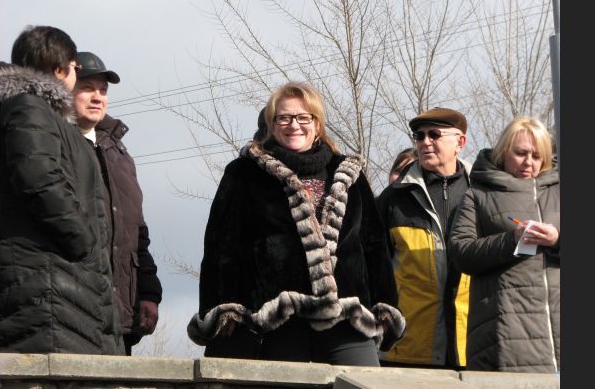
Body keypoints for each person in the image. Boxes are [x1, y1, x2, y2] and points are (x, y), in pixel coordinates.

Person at [188, 81, 405, 366]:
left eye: (304, 117)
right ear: (271, 124)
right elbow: (221, 247)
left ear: (317, 124)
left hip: (348, 315)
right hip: (276, 319)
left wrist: (385, 306)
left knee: (367, 382)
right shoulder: (244, 173)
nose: (294, 125)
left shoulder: (349, 173)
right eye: (284, 118)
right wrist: (222, 306)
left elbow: (374, 246)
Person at [0, 26, 124, 354]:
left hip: (63, 292)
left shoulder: (42, 115)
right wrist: (83, 241)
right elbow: (38, 178)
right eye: (75, 68)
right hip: (46, 291)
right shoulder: (28, 108)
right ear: (59, 69)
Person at [448, 117, 559, 372]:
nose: (528, 162)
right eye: (520, 153)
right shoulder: (478, 194)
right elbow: (461, 252)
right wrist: (511, 240)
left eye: (537, 156)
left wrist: (558, 240)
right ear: (503, 152)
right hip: (506, 337)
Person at [73, 51, 163, 356]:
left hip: (121, 312)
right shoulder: (54, 145)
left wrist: (148, 292)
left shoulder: (120, 154)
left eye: (103, 90)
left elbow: (137, 231)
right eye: (87, 88)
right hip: (71, 309)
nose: (97, 97)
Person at [375, 107, 471, 369]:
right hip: (408, 347)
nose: (425, 142)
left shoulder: (482, 193)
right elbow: (374, 269)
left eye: (434, 134)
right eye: (419, 136)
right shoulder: (393, 198)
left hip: (472, 345)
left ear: (460, 142)